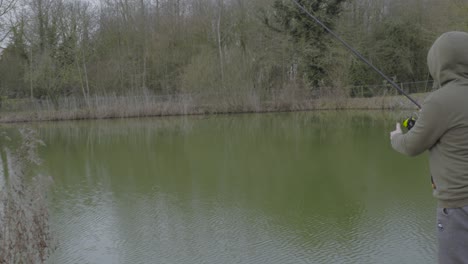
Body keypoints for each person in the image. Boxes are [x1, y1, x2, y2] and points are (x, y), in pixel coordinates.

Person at [390, 31, 468, 264]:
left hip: (457, 206)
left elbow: (411, 146)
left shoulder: (439, 101)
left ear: (438, 63)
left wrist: (395, 136)